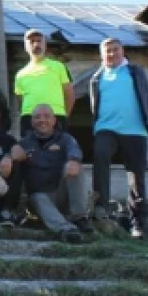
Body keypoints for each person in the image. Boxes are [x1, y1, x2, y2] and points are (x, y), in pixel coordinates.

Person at [89, 38, 148, 239]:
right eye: (107, 51)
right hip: (106, 128)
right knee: (100, 157)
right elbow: (94, 105)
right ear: (102, 55)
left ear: (122, 51)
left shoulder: (135, 72)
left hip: (134, 130)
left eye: (115, 50)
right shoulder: (97, 78)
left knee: (136, 176)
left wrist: (141, 120)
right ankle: (101, 208)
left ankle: (137, 224)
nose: (111, 54)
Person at [19, 104, 92, 243]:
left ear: (54, 120)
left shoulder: (65, 139)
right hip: (40, 196)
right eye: (37, 117)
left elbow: (74, 151)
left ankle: (80, 217)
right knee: (37, 198)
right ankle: (67, 230)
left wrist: (73, 160)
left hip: (62, 194)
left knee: (74, 166)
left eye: (47, 116)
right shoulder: (23, 143)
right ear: (32, 122)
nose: (42, 120)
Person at [14, 29, 74, 135]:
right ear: (25, 47)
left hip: (56, 115)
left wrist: (63, 116)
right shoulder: (20, 74)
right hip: (29, 118)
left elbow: (69, 95)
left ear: (45, 45)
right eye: (32, 41)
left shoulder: (59, 67)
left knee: (56, 150)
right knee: (29, 151)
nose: (36, 44)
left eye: (39, 41)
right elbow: (20, 102)